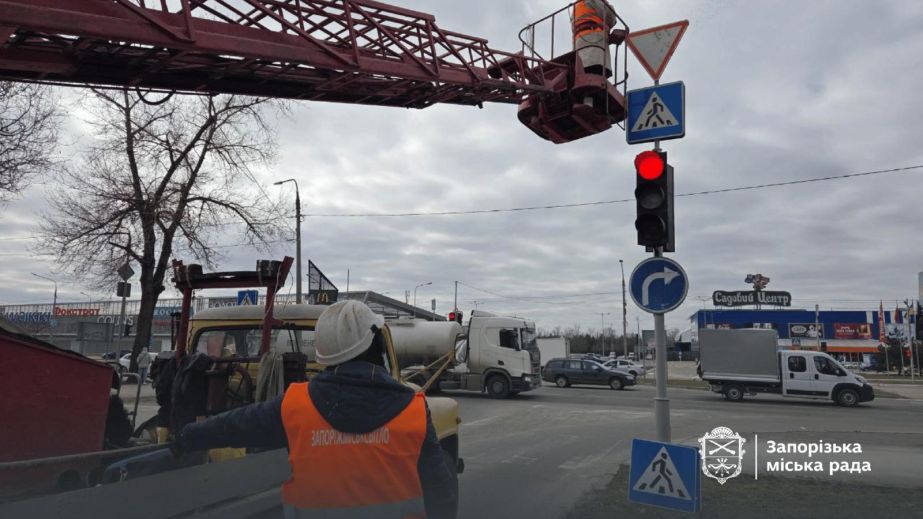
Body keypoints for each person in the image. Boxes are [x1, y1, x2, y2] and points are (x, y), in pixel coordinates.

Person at [174, 300, 457, 518]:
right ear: (377, 343)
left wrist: (187, 437)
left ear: (324, 354)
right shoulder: (413, 411)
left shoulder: (294, 407)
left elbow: (235, 425)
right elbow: (440, 492)